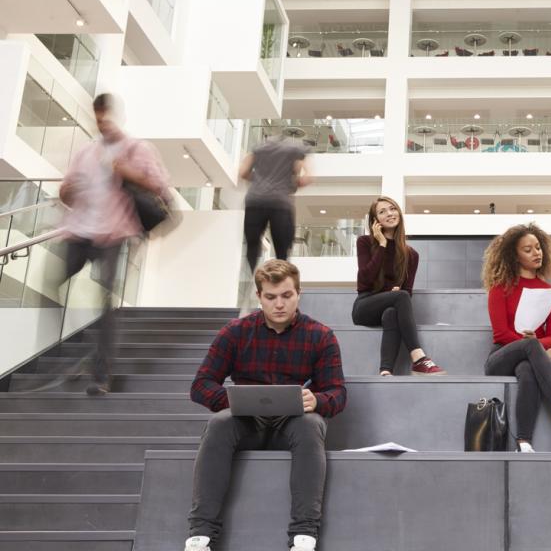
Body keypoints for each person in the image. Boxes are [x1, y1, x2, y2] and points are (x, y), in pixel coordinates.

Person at [185, 259, 346, 551]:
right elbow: (200, 386)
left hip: (293, 423)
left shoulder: (320, 335)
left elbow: (337, 392)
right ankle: (201, 536)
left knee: (311, 424)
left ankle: (303, 536)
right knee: (219, 423)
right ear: (259, 297)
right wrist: (235, 401)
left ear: (299, 293)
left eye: (287, 295)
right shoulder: (235, 332)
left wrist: (318, 399)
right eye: (271, 297)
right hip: (246, 423)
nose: (280, 304)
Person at [58, 92, 169, 396]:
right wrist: (67, 190)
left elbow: (159, 185)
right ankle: (79, 353)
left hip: (113, 233)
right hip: (78, 230)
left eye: (106, 115)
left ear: (115, 115)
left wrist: (125, 170)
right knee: (55, 282)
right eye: (97, 117)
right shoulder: (85, 153)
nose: (102, 122)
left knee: (105, 302)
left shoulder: (136, 148)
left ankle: (100, 374)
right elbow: (65, 193)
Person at [483, 223, 551, 452]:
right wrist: (534, 345)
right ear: (514, 257)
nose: (537, 253)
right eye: (528, 249)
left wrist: (536, 348)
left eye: (538, 247)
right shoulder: (500, 288)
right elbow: (501, 334)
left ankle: (523, 442)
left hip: (530, 359)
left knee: (527, 369)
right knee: (530, 346)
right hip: (500, 358)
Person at [351, 196, 445, 376]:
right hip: (364, 306)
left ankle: (385, 371)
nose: (389, 213)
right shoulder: (364, 242)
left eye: (392, 209)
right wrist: (382, 245)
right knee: (399, 296)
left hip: (389, 306)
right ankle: (418, 358)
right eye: (382, 211)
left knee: (392, 313)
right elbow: (364, 280)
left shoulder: (411, 255)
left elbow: (407, 291)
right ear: (375, 221)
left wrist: (396, 294)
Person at [239, 136, 308, 274]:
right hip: (280, 203)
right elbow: (304, 177)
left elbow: (243, 172)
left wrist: (258, 179)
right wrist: (293, 181)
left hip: (255, 201)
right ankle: (281, 281)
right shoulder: (293, 149)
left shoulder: (258, 148)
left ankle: (252, 279)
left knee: (252, 245)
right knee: (282, 250)